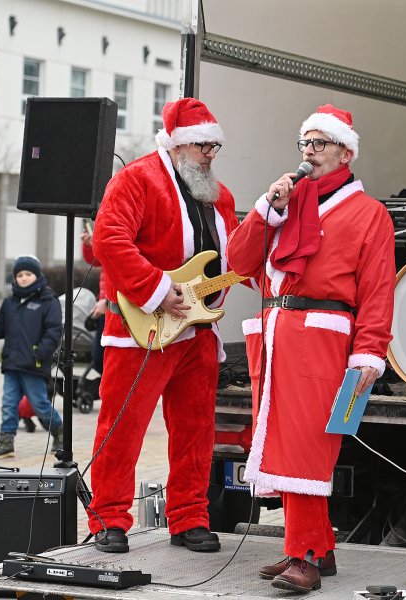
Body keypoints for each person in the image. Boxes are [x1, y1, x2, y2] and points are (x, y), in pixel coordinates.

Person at [226, 104, 395, 594]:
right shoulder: (287, 203)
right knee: (280, 442)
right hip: (276, 334)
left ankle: (304, 558)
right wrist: (266, 209)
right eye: (304, 143)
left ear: (346, 151)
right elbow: (239, 263)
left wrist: (369, 353)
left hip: (324, 336)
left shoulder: (369, 214)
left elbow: (378, 292)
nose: (308, 153)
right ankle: (319, 548)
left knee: (306, 448)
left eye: (319, 144)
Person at [87, 98, 239, 554]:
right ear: (175, 145)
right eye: (201, 145)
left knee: (196, 431)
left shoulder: (221, 196)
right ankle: (108, 519)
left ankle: (189, 516)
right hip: (141, 330)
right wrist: (155, 290)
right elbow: (108, 239)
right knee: (121, 429)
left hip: (198, 332)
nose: (210, 154)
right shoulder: (136, 178)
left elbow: (232, 256)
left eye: (215, 145)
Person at [0, 255, 63, 459]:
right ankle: (6, 442)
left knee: (39, 404)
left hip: (33, 364)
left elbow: (53, 332)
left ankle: (60, 432)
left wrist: (39, 353)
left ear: (37, 275)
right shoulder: (9, 303)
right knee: (8, 403)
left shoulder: (48, 301)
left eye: (28, 274)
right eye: (19, 275)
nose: (23, 278)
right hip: (12, 364)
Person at [81, 226, 106, 374]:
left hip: (111, 305)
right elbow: (96, 260)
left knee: (101, 358)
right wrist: (90, 245)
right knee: (98, 359)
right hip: (104, 305)